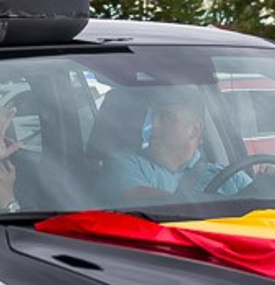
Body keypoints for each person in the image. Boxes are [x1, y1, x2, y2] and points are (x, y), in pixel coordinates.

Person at [98, 87, 252, 203]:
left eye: (166, 117)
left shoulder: (231, 177)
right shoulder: (125, 164)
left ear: (195, 129)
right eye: (151, 116)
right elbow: (138, 200)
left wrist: (271, 181)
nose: (153, 124)